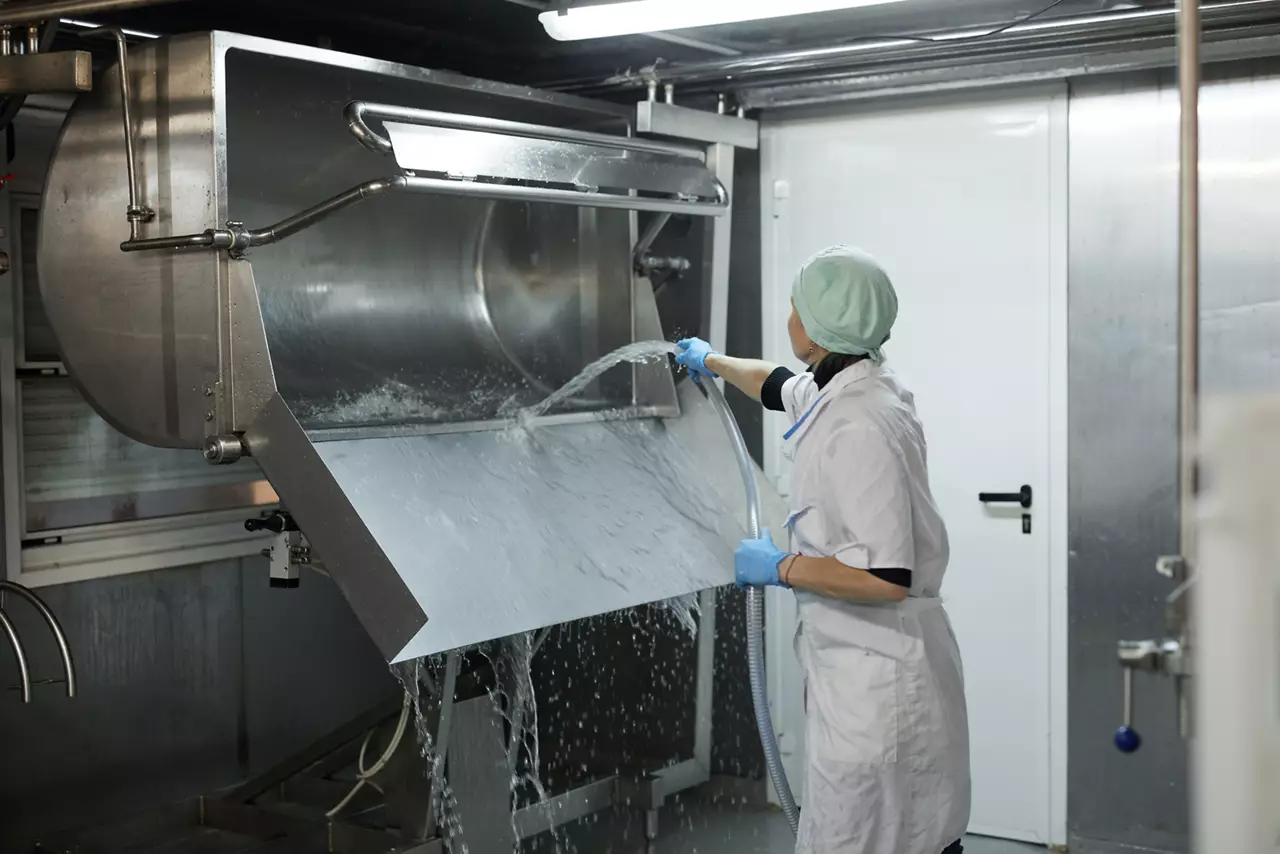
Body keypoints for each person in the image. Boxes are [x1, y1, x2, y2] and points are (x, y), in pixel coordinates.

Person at [676, 246, 970, 854]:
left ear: (816, 329)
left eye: (795, 307)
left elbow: (886, 576)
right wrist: (712, 361)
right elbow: (777, 386)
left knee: (862, 835)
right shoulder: (849, 386)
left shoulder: (859, 425)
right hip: (863, 669)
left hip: (879, 681)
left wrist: (781, 567)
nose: (788, 317)